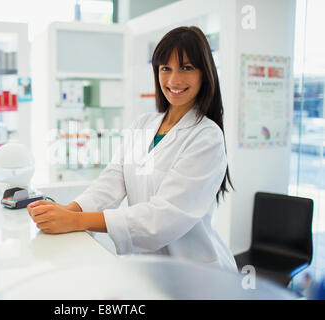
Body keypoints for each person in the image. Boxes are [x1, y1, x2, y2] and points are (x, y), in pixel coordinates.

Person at [27, 26, 237, 272]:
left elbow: (163, 218)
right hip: (147, 268)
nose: (173, 80)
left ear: (206, 73)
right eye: (165, 68)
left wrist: (75, 220)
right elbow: (112, 182)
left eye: (186, 68)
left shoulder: (206, 136)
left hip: (195, 274)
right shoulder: (144, 125)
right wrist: (68, 210)